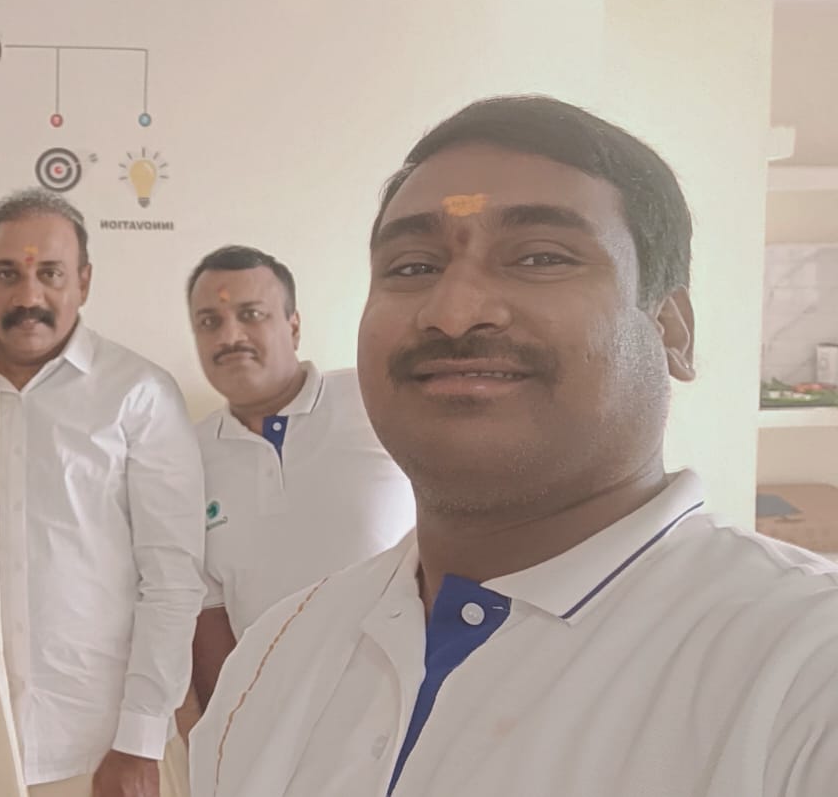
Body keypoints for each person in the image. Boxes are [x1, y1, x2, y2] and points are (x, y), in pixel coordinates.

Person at [191, 95, 838, 797]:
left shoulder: (802, 670)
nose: (452, 311)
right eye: (412, 267)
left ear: (672, 329)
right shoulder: (277, 659)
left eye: (539, 257)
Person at [0, 189, 206, 797]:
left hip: (93, 745)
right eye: (8, 273)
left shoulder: (137, 394)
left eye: (50, 273)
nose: (27, 296)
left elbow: (171, 579)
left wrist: (139, 740)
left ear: (84, 281)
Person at [184, 245, 412, 708]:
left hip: (410, 702)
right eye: (209, 322)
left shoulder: (381, 402)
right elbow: (209, 615)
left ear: (293, 326)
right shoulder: (185, 458)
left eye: (251, 314)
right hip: (277, 721)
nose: (230, 336)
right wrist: (227, 731)